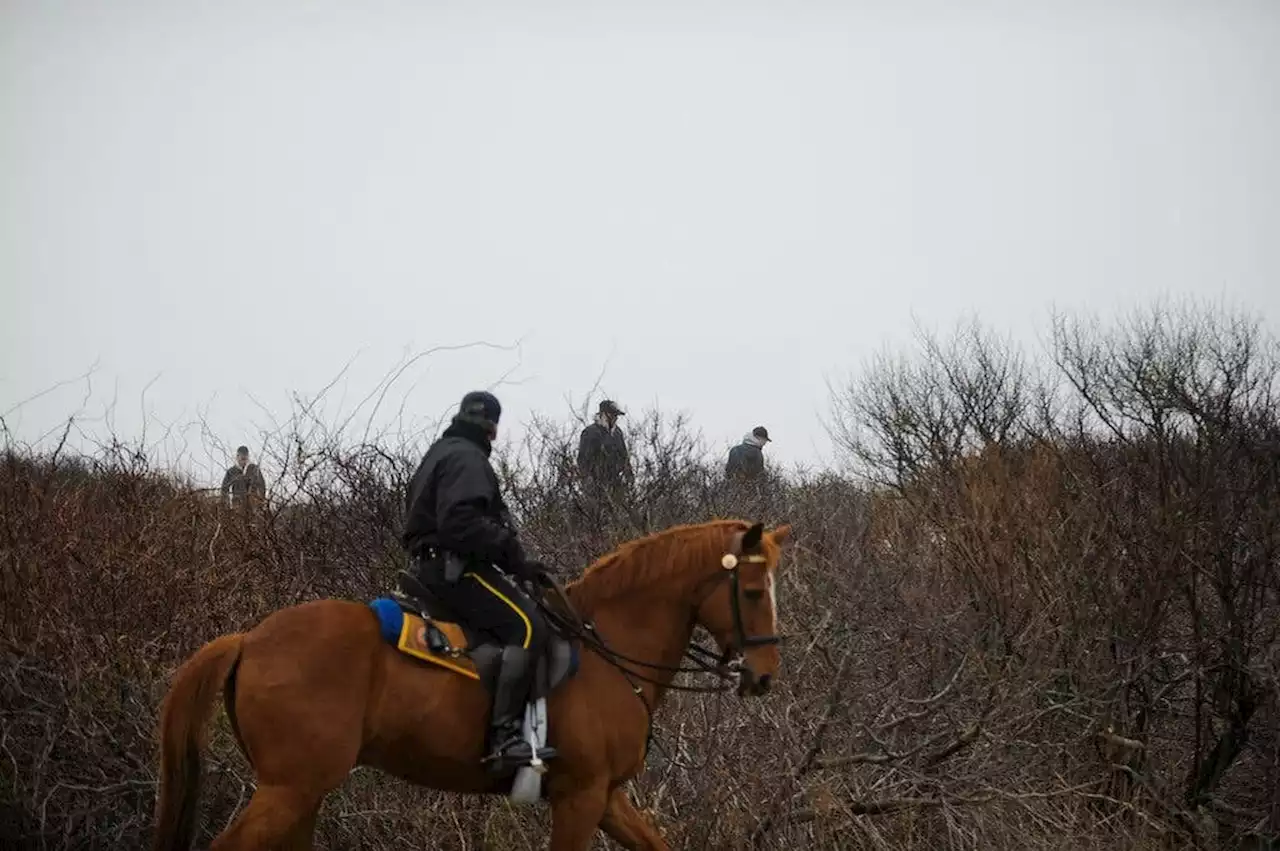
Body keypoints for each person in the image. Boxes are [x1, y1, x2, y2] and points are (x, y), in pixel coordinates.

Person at [401, 390, 555, 773]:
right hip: (455, 569)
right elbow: (462, 525)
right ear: (492, 429)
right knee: (528, 627)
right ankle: (505, 737)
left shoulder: (439, 453)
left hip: (428, 566)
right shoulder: (469, 459)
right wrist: (517, 561)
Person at [576, 399, 633, 491]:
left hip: (616, 483)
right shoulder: (590, 432)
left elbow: (624, 456)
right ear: (603, 414)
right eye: (612, 414)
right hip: (596, 484)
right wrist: (587, 479)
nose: (615, 418)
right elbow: (583, 459)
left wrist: (629, 475)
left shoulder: (618, 433)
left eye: (616, 415)